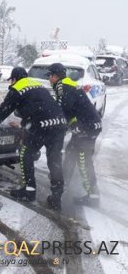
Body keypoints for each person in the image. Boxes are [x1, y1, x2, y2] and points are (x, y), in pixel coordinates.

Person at [0, 67, 67, 210]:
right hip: (59, 124)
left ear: (14, 79)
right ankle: (56, 197)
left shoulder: (17, 88)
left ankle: (29, 190)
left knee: (25, 153)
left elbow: (3, 111)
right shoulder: (37, 85)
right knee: (54, 160)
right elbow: (38, 107)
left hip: (41, 127)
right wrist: (23, 124)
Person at [48, 63, 102, 205]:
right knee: (71, 152)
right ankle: (63, 181)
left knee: (83, 160)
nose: (48, 79)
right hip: (85, 125)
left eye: (49, 76)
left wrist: (55, 126)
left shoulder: (62, 86)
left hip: (87, 127)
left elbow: (63, 109)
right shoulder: (68, 84)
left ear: (55, 76)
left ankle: (93, 196)